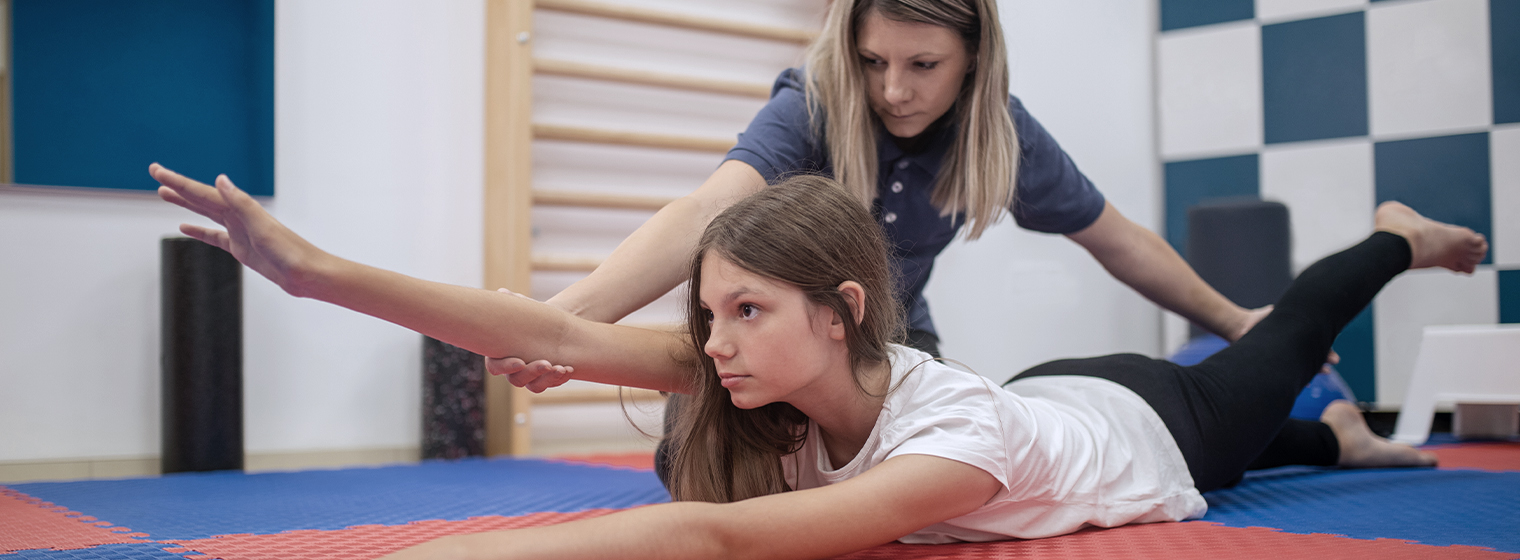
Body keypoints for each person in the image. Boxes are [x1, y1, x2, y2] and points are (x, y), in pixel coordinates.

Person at [151, 163, 1483, 559]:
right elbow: (547, 333)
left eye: (743, 313)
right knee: (1304, 445)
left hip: (1156, 423)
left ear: (840, 311)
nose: (709, 344)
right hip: (1051, 393)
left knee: (1287, 346)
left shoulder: (956, 450)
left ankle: (1390, 238)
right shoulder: (755, 371)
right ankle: (1337, 444)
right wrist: (309, 269)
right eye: (708, 315)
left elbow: (726, 547)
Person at [496, 0, 1339, 485]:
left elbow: (1118, 241)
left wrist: (1239, 323)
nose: (893, 91)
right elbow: (703, 213)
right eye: (873, 61)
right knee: (693, 472)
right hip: (780, 339)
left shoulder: (1001, 132)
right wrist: (561, 322)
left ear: (973, 59)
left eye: (923, 66)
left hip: (889, 343)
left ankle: (1320, 437)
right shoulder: (815, 106)